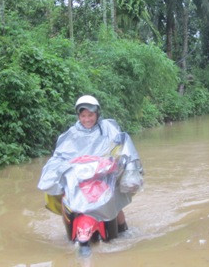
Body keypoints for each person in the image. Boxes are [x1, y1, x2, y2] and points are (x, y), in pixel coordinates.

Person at [37, 94, 143, 233]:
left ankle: (124, 230)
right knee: (67, 199)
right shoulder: (71, 134)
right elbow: (59, 155)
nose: (87, 119)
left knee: (114, 204)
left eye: (90, 115)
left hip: (104, 175)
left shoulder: (107, 128)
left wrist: (124, 165)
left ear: (97, 114)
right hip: (80, 177)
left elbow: (123, 144)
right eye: (83, 116)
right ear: (78, 116)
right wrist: (56, 168)